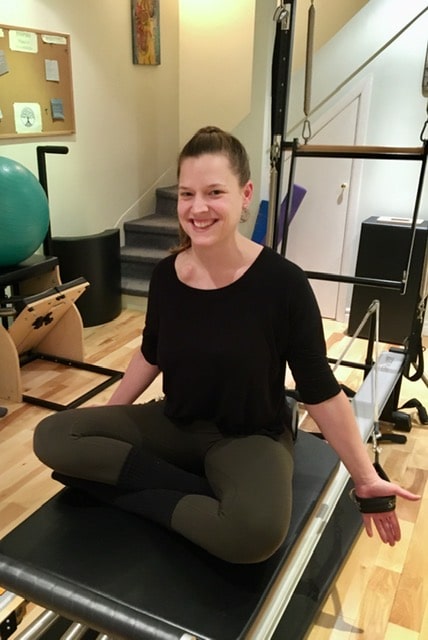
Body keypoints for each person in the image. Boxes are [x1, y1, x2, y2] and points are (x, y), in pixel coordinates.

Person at [33, 126, 419, 564]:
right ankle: (200, 497)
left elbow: (320, 389)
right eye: (186, 194)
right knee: (54, 436)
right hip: (174, 423)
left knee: (253, 534)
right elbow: (151, 352)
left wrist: (365, 478)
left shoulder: (283, 284)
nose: (197, 208)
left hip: (249, 435)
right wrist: (109, 413)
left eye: (214, 192)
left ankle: (133, 496)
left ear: (245, 194)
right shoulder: (166, 276)